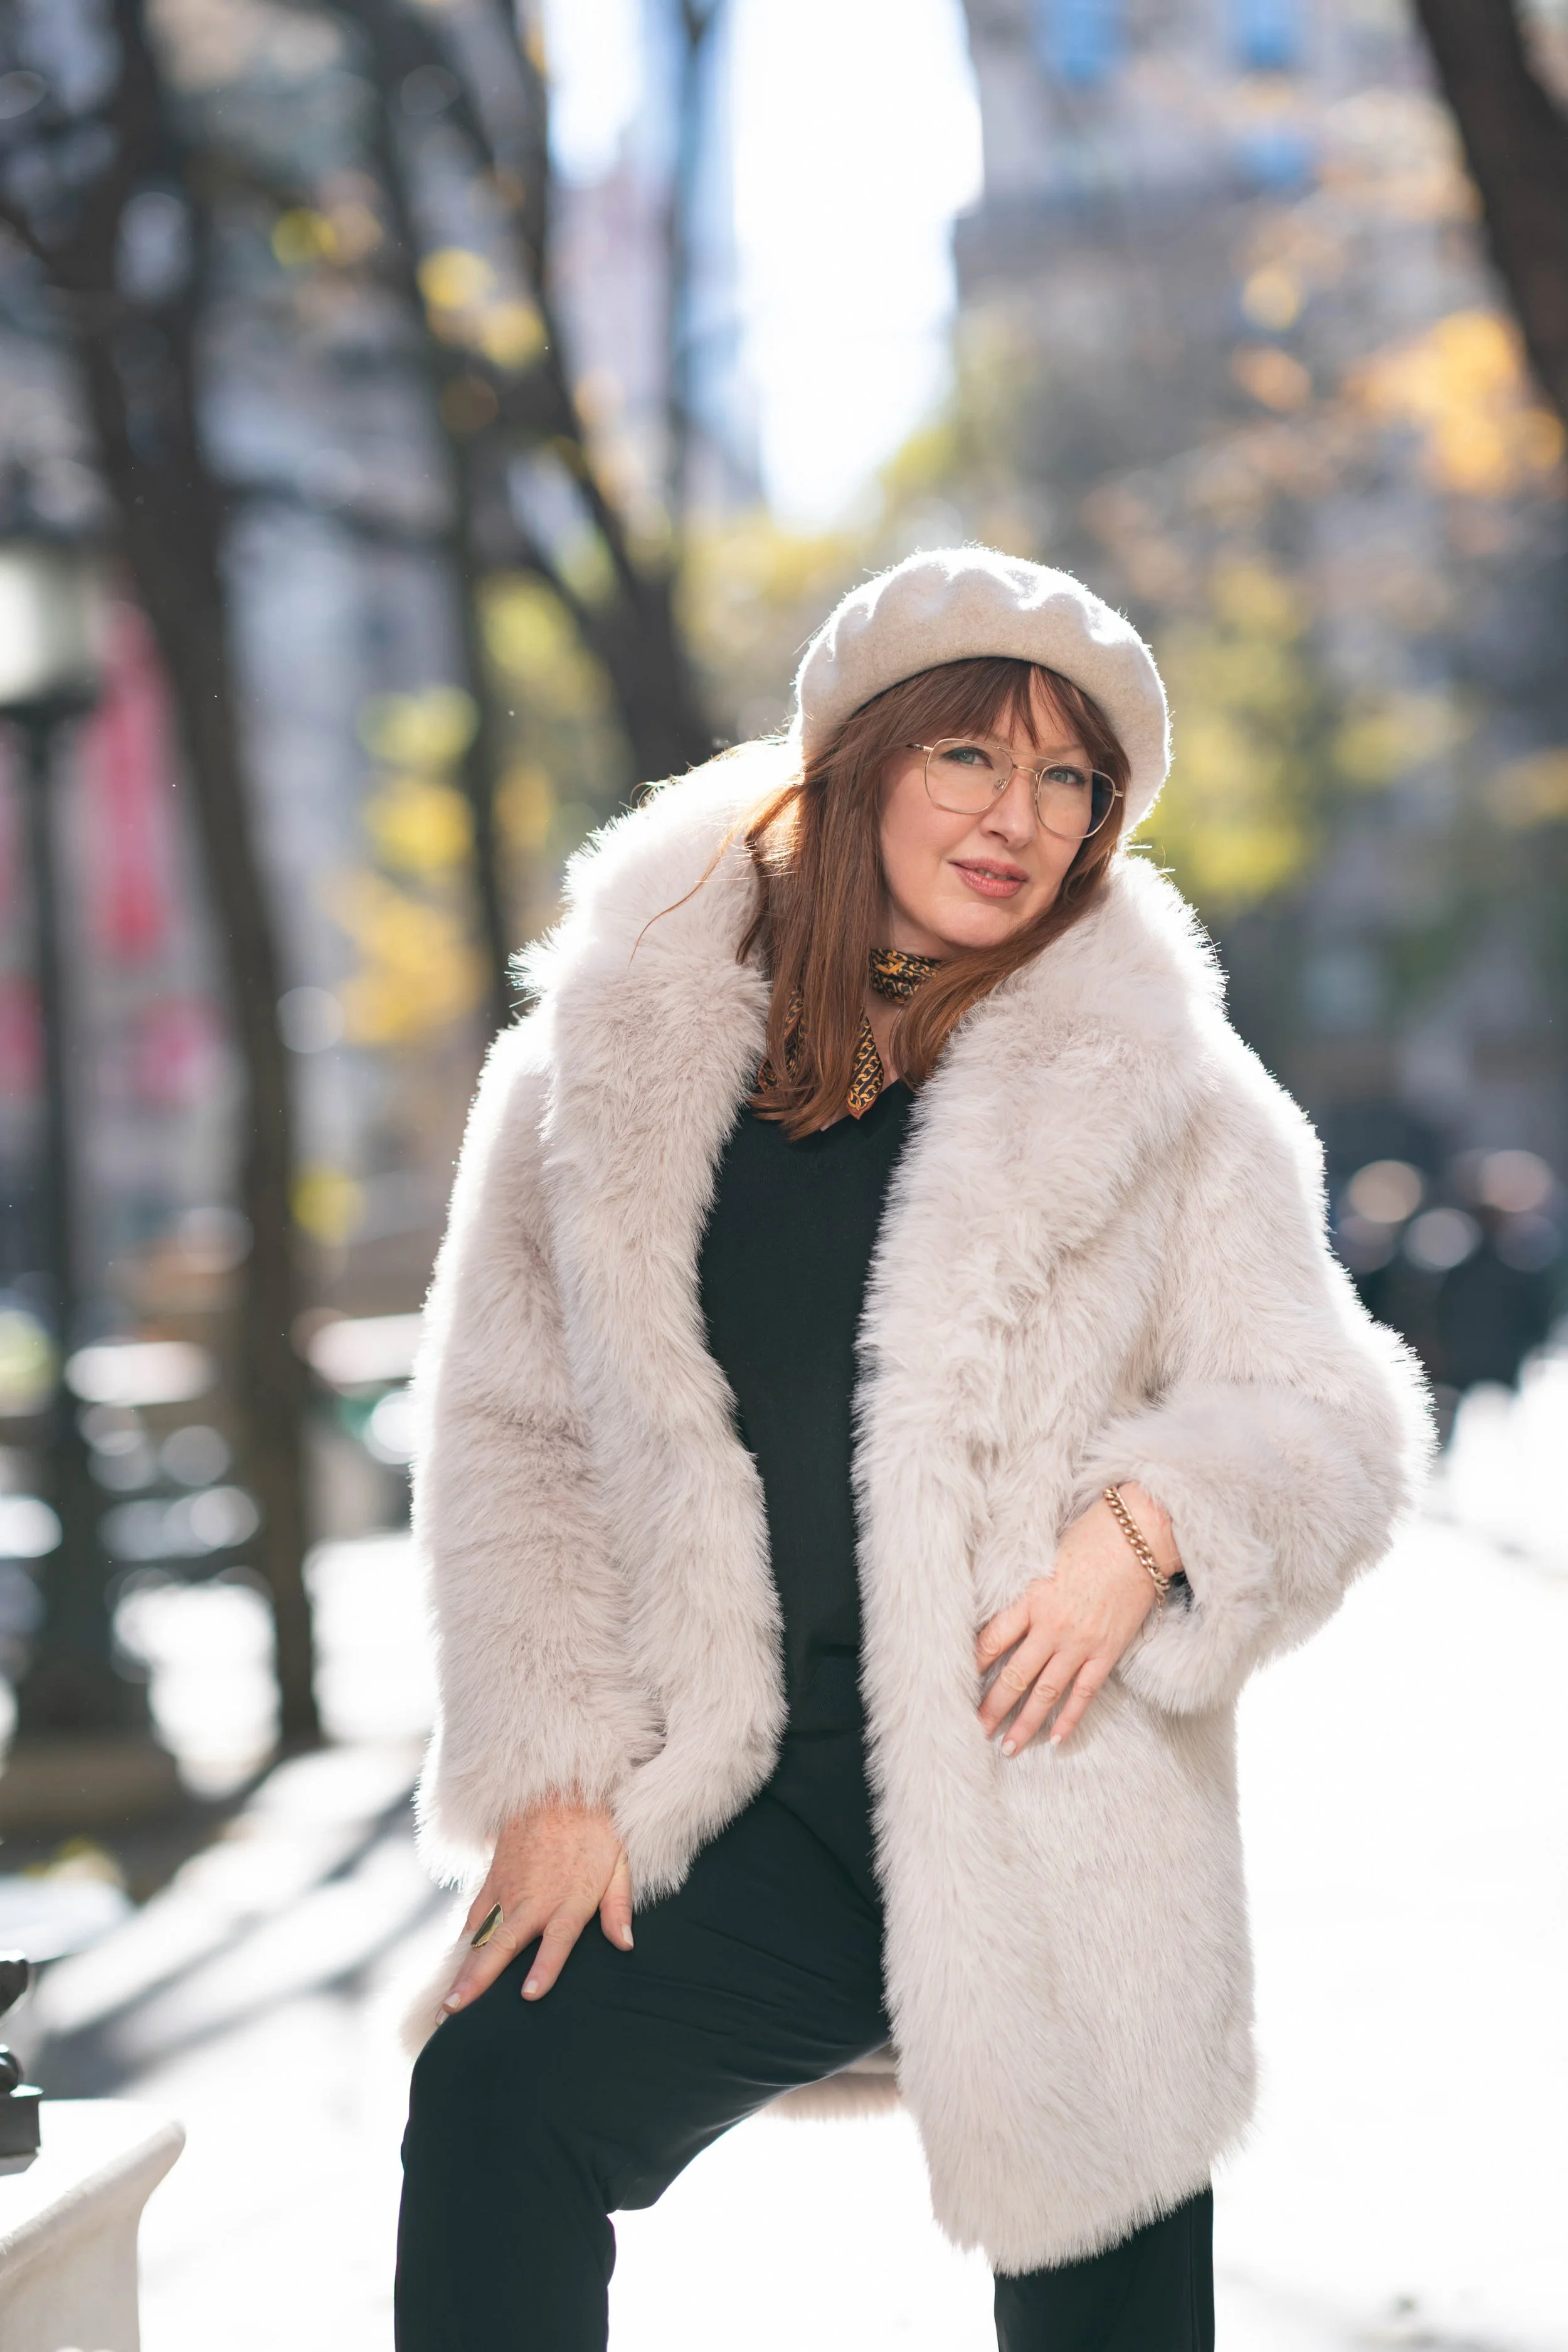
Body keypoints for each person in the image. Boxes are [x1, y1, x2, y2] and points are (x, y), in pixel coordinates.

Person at [395, 548, 1429, 2351]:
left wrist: (1149, 1523)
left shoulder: (1167, 1089)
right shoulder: (606, 1059)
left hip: (1053, 1795)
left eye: (1067, 781)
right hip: (753, 1794)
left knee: (1106, 2257)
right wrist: (552, 1773)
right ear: (860, 757)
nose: (1016, 818)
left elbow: (1334, 1412)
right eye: (970, 758)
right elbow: (515, 1431)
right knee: (500, 2084)